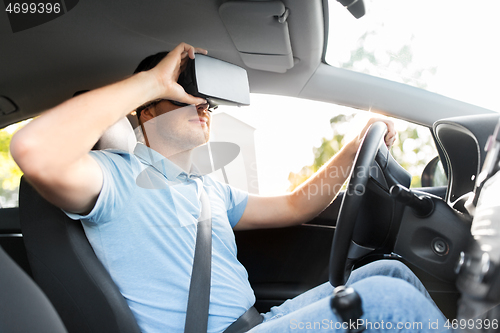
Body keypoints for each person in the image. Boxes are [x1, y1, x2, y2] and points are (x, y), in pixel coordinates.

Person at [10, 43, 449, 332]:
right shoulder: (114, 176)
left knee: (389, 272)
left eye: (209, 102)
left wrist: (352, 150)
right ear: (145, 112)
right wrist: (152, 80)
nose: (204, 106)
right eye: (185, 93)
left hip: (259, 322)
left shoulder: (207, 188)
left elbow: (294, 206)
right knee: (389, 301)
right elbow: (33, 150)